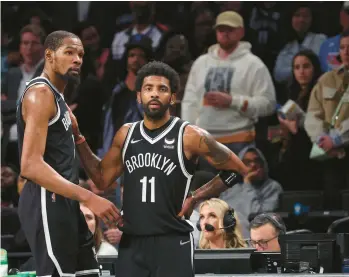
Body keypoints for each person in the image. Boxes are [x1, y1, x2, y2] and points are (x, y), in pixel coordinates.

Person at [70, 60, 249, 277]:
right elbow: (100, 179)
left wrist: (195, 196)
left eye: (162, 89)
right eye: (148, 88)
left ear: (173, 97)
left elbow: (237, 170)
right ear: (138, 96)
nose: (154, 94)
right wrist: (79, 138)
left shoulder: (191, 136)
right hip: (132, 244)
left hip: (172, 242)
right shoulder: (126, 134)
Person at [16, 30, 121, 277]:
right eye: (70, 52)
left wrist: (78, 136)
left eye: (81, 54)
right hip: (46, 200)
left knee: (90, 273)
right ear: (50, 56)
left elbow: (101, 177)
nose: (78, 59)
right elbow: (29, 166)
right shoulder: (40, 94)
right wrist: (89, 198)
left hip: (66, 200)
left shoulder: (59, 98)